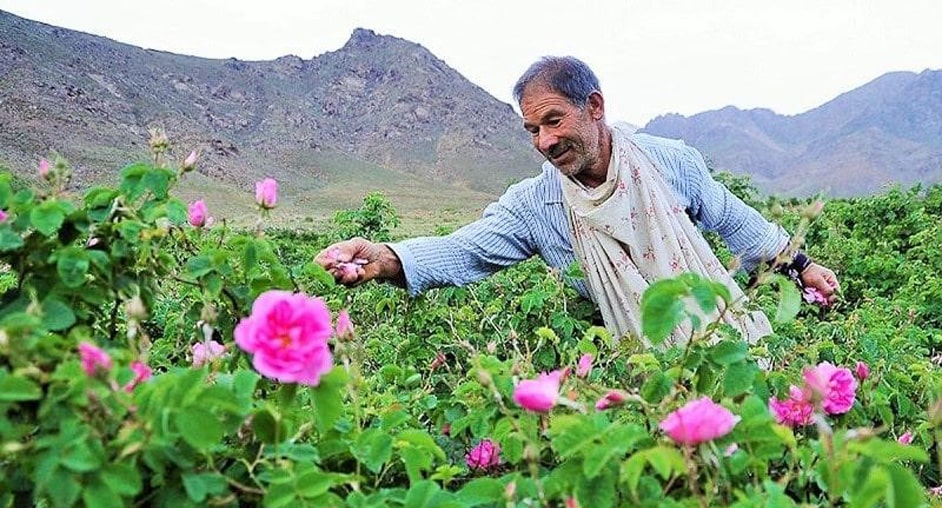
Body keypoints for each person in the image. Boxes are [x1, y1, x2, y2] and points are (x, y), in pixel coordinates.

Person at [315, 55, 840, 346]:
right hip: (627, 365)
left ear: (594, 106)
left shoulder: (669, 162)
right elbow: (465, 250)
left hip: (719, 347)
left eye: (553, 121)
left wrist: (802, 265)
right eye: (531, 130)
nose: (544, 142)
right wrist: (389, 258)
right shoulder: (536, 206)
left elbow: (732, 217)